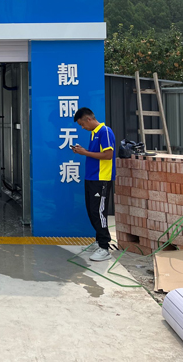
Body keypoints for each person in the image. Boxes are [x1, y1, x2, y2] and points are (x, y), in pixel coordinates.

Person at [71, 107, 115, 262]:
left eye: (82, 124)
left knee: (99, 212)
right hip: (91, 178)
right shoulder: (94, 133)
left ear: (88, 119)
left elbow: (108, 155)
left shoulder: (105, 131)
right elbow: (97, 154)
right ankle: (98, 241)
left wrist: (85, 153)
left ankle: (104, 247)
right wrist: (83, 151)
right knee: (92, 211)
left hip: (101, 179)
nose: (83, 127)